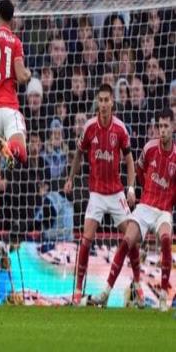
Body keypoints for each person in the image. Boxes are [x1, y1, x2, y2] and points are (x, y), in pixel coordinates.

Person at [64, 84, 142, 306]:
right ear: (98, 103)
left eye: (107, 100)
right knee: (86, 239)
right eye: (101, 100)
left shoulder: (120, 129)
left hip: (116, 194)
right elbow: (78, 153)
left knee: (132, 238)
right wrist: (70, 178)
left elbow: (129, 160)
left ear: (112, 103)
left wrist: (130, 188)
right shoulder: (89, 127)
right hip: (97, 194)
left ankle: (138, 286)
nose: (104, 104)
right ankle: (77, 290)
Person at [92, 108, 175, 311]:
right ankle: (106, 292)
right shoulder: (149, 148)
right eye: (160, 126)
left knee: (166, 240)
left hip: (164, 211)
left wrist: (168, 203)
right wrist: (146, 190)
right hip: (145, 206)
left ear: (173, 127)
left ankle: (163, 296)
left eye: (166, 126)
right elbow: (139, 169)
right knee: (126, 241)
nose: (162, 130)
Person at [0, 0, 31, 263]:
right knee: (23, 153)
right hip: (9, 107)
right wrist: (28, 74)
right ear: (12, 18)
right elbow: (21, 76)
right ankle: (9, 148)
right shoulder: (16, 42)